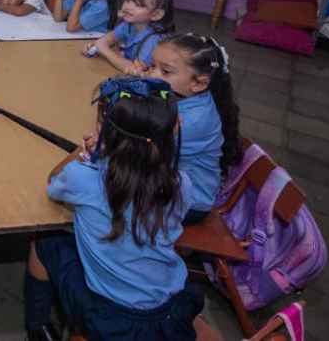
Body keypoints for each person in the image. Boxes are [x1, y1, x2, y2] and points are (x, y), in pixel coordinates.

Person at [25, 76, 203, 340]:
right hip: (168, 311)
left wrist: (84, 153)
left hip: (109, 317)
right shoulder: (181, 184)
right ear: (174, 130)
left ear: (102, 129)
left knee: (44, 242)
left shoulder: (83, 179)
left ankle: (37, 327)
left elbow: (53, 183)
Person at [147, 33, 241, 224]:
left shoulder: (192, 121)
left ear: (198, 83)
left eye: (165, 71)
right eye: (152, 66)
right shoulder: (181, 96)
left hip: (189, 202)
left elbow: (141, 152)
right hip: (168, 179)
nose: (152, 74)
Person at [87, 0, 175, 73]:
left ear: (156, 15)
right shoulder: (129, 25)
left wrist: (104, 50)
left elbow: (136, 70)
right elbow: (108, 39)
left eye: (138, 5)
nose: (128, 7)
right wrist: (95, 46)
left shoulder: (154, 40)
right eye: (128, 0)